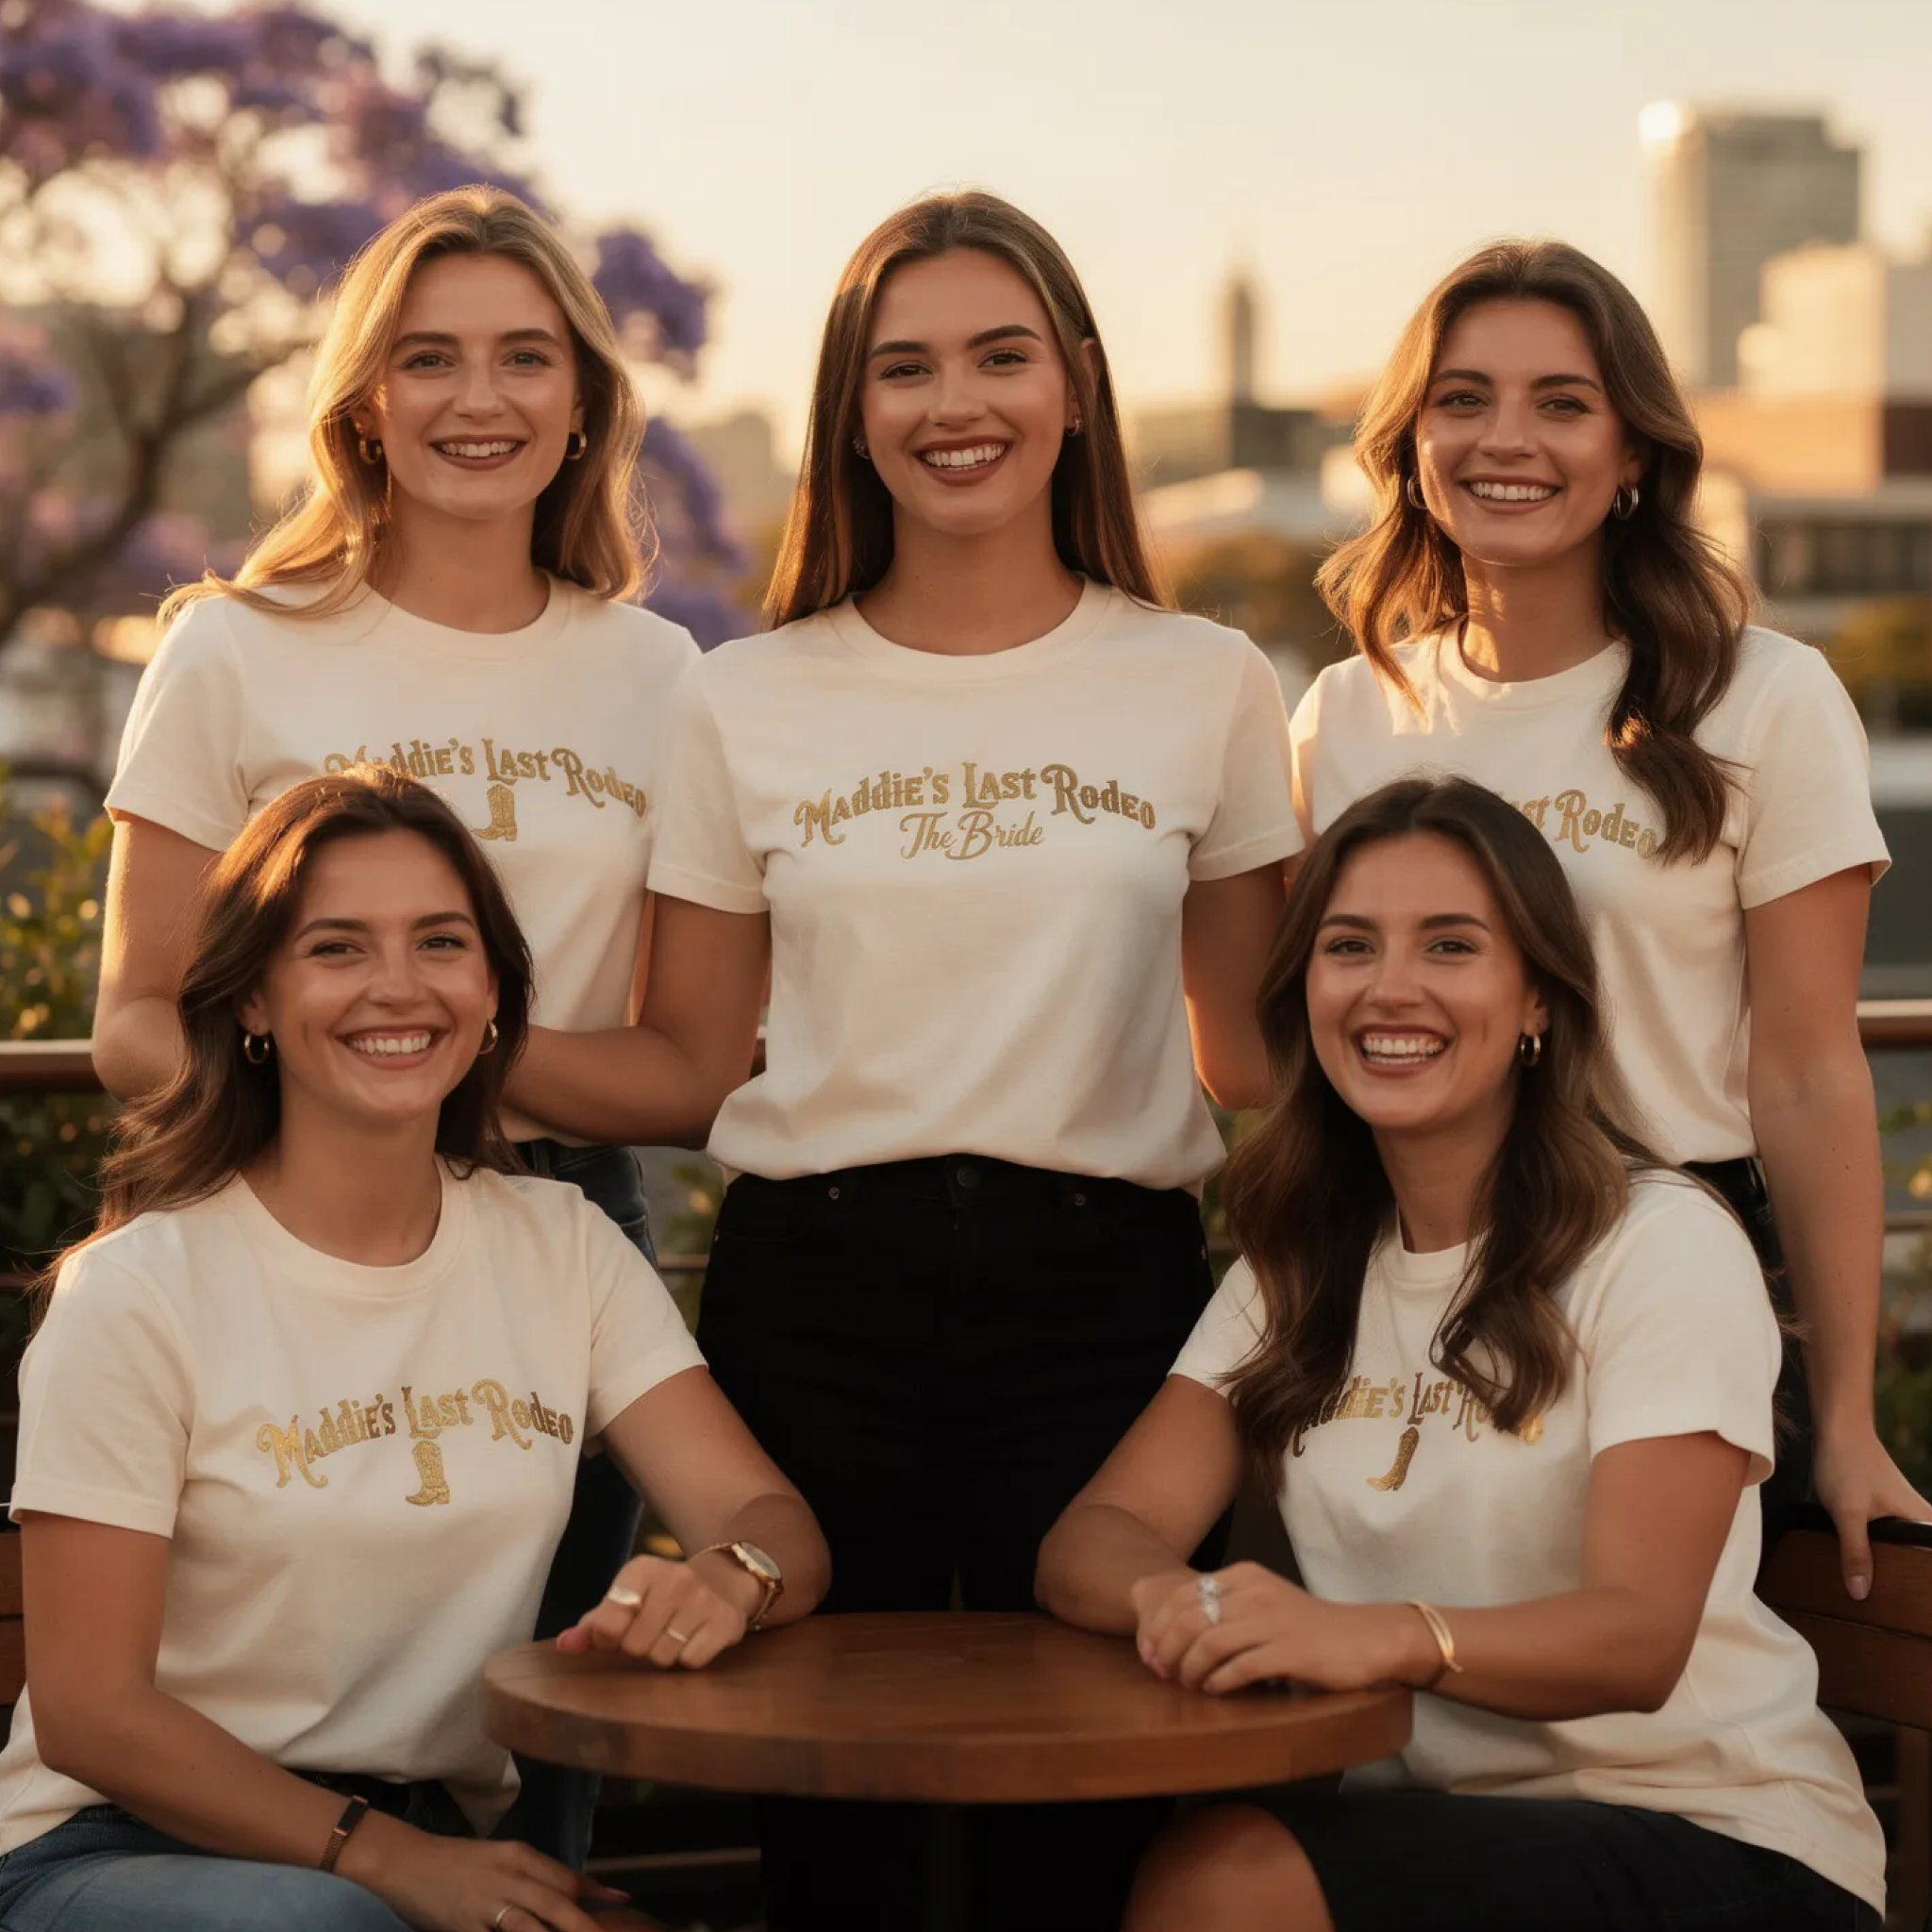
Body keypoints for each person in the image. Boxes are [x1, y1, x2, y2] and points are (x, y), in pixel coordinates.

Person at [503, 190, 1301, 1930]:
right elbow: (689, 1065)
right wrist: (410, 1051)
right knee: (835, 1830)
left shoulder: (1208, 681)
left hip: (1106, 1310)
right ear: (852, 414)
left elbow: (1254, 1055)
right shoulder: (745, 698)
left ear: (1074, 385)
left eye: (1000, 357)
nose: (958, 405)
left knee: (1099, 1809)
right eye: (907, 367)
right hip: (815, 1302)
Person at [91, 185, 701, 1861]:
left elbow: (688, 1064)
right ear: (363, 399)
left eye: (523, 357)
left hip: (554, 1237)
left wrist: (441, 1075)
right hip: (275, 1225)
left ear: (583, 401)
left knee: (538, 1733)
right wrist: (337, 1124)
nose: (476, 399)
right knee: (249, 1699)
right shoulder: (232, 649)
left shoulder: (660, 677)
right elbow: (136, 1014)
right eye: (428, 358)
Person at [1038, 776, 1887, 1932]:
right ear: (1303, 992)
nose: (1390, 986)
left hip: (1715, 1831)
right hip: (1441, 1831)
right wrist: (1189, 1602)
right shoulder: (1301, 1269)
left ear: (1536, 996)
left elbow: (1636, 1640)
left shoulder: (1658, 1244)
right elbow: (1091, 1537)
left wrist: (1375, 1634)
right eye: (1348, 945)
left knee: (1224, 1879)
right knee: (1202, 1856)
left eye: (1449, 944)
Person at [0, 768, 828, 1932]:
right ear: (253, 1000)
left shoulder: (562, 1247)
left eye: (441, 941)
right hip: (125, 1842)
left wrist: (731, 1574)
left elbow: (767, 1514)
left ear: (491, 993)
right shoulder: (140, 1290)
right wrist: (387, 1860)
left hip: (425, 1837)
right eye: (335, 947)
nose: (397, 984)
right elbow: (92, 1714)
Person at [1289, 239, 1919, 1593]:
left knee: (1661, 1675)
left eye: (1562, 403)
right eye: (1462, 399)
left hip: (1673, 1280)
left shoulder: (1764, 698)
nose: (1506, 439)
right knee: (1404, 1670)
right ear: (1410, 444)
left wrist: (1849, 1418)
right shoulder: (1343, 716)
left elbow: (1808, 1073)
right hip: (1406, 1281)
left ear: (1632, 450)